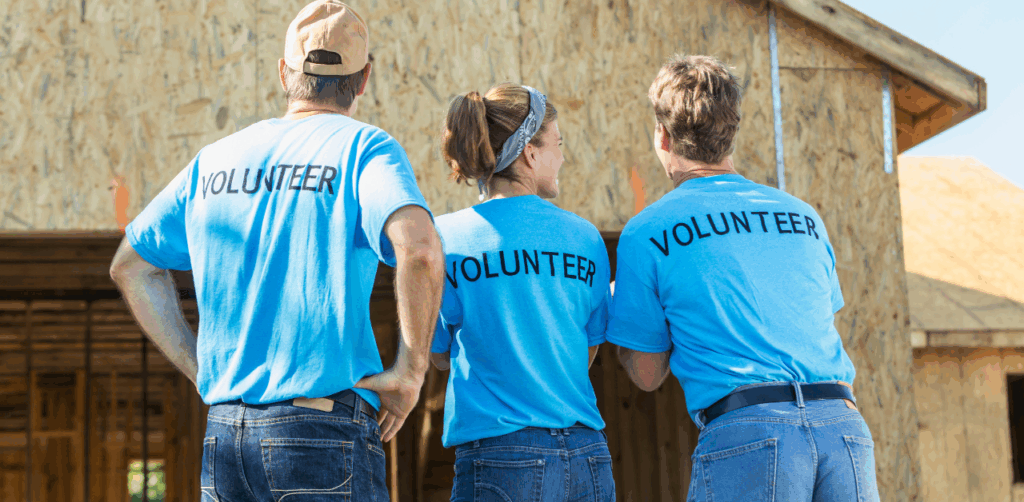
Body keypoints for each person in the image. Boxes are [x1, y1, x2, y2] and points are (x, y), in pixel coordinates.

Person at [108, 2, 445, 500]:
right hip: (321, 431)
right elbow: (419, 250)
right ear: (365, 77)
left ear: (284, 72)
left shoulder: (214, 161)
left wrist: (201, 369)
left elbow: (130, 267)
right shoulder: (364, 149)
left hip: (227, 436)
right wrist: (410, 372)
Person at [606, 55, 880, 502]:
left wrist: (621, 313)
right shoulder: (803, 216)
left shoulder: (649, 231)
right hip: (844, 429)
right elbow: (812, 321)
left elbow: (647, 373)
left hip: (751, 433)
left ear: (662, 135)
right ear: (731, 131)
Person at [430, 83, 616, 502]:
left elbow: (439, 354)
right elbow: (584, 352)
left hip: (501, 454)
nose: (563, 156)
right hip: (587, 454)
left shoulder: (446, 238)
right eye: (558, 143)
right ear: (530, 153)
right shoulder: (585, 239)